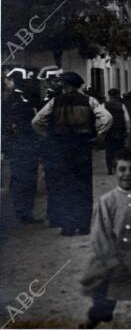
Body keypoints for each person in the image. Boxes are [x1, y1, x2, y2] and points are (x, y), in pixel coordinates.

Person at [80, 149, 131, 329]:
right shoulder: (106, 201)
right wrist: (108, 258)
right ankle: (93, 320)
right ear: (115, 171)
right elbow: (100, 233)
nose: (127, 174)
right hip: (113, 261)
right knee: (106, 294)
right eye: (122, 169)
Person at [32, 72, 112, 236]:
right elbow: (107, 118)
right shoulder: (89, 100)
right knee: (83, 186)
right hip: (82, 148)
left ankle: (68, 227)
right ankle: (83, 226)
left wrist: (48, 135)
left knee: (65, 186)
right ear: (77, 85)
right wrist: (99, 135)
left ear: (65, 85)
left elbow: (36, 121)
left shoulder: (55, 102)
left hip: (61, 149)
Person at [2, 69, 41, 224]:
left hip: (16, 146)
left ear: (13, 81)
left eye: (7, 80)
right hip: (27, 145)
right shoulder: (26, 100)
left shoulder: (8, 100)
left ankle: (20, 211)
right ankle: (25, 212)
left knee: (18, 179)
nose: (6, 83)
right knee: (28, 179)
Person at [36, 65, 65, 227]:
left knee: (54, 182)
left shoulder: (50, 99)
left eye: (46, 81)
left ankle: (55, 216)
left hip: (53, 145)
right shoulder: (65, 97)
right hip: (65, 145)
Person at [104, 89, 131, 174]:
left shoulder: (104, 105)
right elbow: (127, 119)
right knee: (120, 150)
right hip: (120, 131)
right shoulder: (121, 105)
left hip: (108, 131)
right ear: (117, 95)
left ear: (109, 95)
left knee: (109, 150)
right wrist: (128, 129)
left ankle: (109, 168)